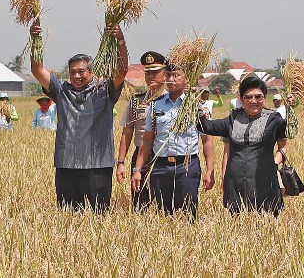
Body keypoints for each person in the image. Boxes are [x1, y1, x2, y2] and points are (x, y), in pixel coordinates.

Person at [30, 22, 128, 213]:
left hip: (97, 167)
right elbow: (37, 70)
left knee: (97, 218)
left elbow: (122, 71)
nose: (76, 76)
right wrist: (35, 40)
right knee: (68, 219)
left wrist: (120, 41)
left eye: (81, 71)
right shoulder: (61, 90)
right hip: (67, 165)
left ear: (91, 72)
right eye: (72, 72)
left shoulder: (104, 90)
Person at [131, 63, 215, 219]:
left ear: (186, 79)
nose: (171, 79)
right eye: (168, 75)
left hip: (187, 166)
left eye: (176, 75)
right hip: (161, 167)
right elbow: (148, 140)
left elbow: (207, 141)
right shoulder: (156, 105)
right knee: (163, 214)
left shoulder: (195, 105)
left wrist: (210, 170)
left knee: (188, 214)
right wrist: (137, 170)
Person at [197, 76, 286, 216]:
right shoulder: (232, 120)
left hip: (264, 180)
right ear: (241, 98)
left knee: (265, 223)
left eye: (258, 97)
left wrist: (273, 163)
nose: (254, 101)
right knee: (238, 223)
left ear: (264, 97)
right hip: (236, 182)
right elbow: (206, 126)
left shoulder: (274, 120)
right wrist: (194, 106)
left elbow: (285, 144)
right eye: (248, 97)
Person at [116, 51, 166, 210]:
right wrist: (121, 162)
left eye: (155, 72)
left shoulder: (174, 100)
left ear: (165, 73)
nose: (151, 76)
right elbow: (127, 131)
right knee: (140, 200)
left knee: (164, 201)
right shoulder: (137, 100)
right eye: (148, 73)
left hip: (165, 154)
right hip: (141, 155)